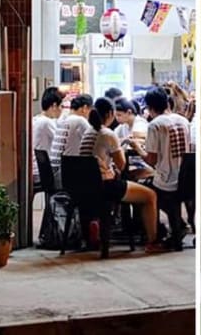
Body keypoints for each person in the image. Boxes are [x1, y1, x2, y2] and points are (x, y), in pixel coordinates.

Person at [79, 97, 165, 254]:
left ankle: (133, 227)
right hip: (106, 187)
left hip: (85, 187)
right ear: (110, 114)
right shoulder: (107, 134)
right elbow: (122, 164)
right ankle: (152, 241)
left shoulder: (88, 132)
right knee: (150, 195)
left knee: (136, 188)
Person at [128, 86, 190, 250]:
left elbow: (152, 160)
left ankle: (156, 235)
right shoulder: (183, 121)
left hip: (167, 181)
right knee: (161, 196)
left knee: (142, 195)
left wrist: (137, 147)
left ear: (149, 108)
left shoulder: (155, 125)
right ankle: (178, 225)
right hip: (186, 178)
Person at [49, 94, 93, 183]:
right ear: (85, 108)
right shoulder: (79, 120)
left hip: (54, 173)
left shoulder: (62, 120)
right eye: (90, 110)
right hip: (64, 176)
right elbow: (96, 140)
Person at [113, 96, 153, 180]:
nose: (117, 118)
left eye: (119, 115)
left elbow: (135, 139)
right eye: (116, 115)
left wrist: (124, 140)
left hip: (142, 163)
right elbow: (113, 138)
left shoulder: (140, 123)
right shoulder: (123, 125)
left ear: (129, 112)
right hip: (131, 162)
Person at [33, 87, 64, 184]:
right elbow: (62, 144)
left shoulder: (36, 119)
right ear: (54, 105)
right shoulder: (46, 122)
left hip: (36, 169)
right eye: (61, 106)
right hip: (42, 173)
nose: (62, 110)